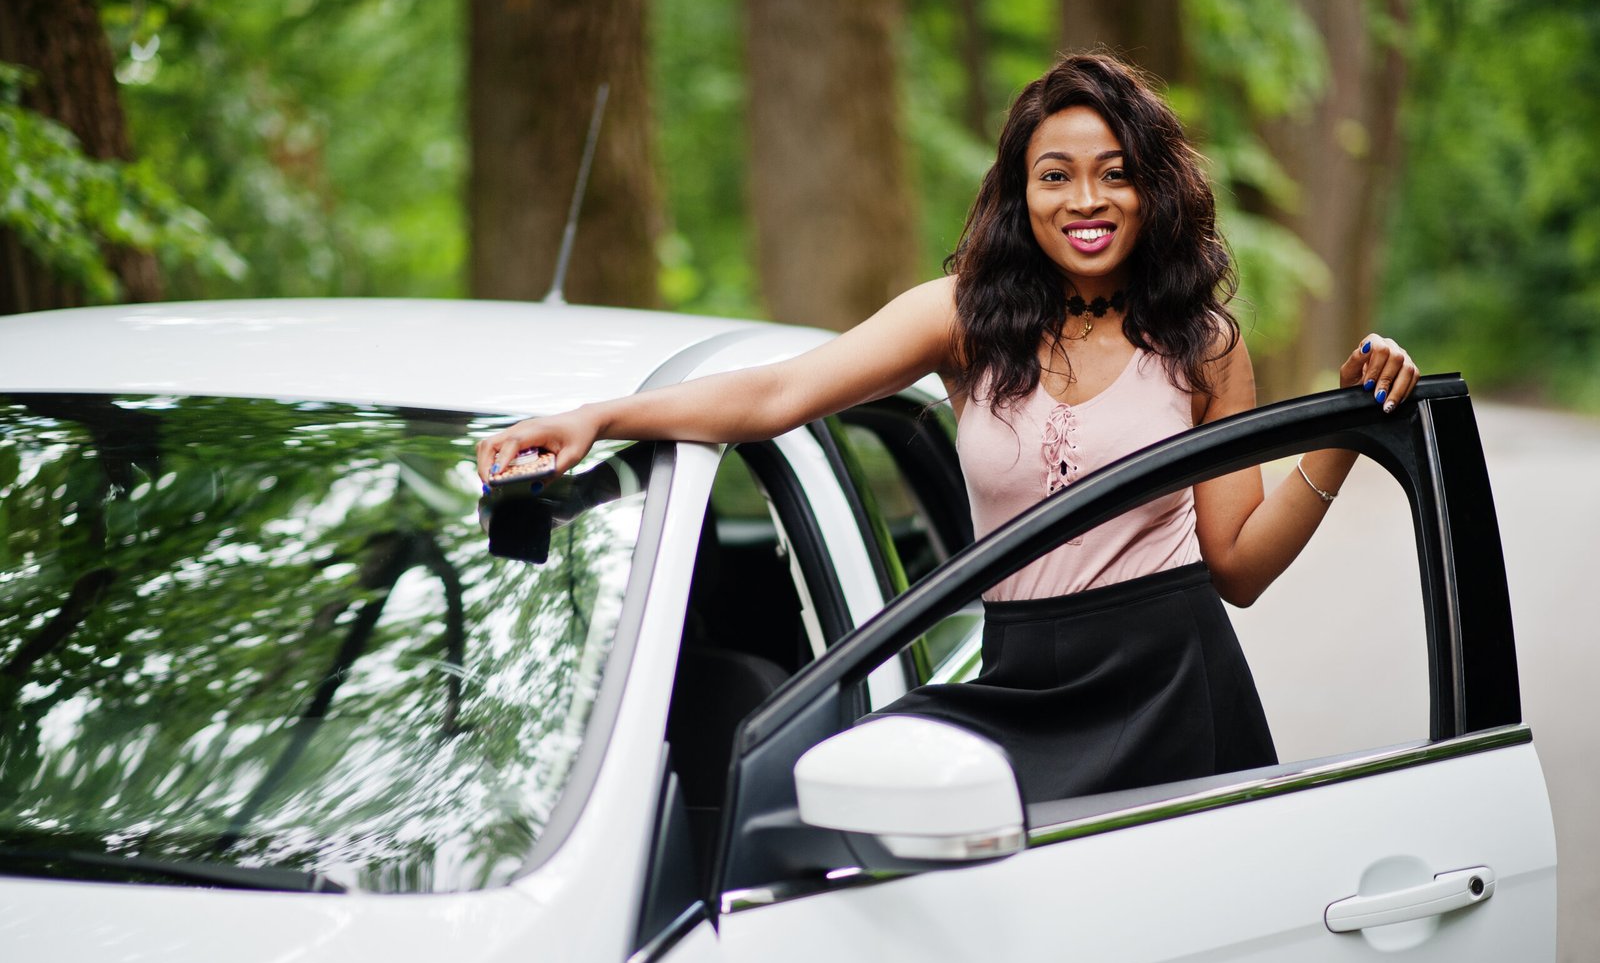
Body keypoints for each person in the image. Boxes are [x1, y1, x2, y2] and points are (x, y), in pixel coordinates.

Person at [476, 53, 1418, 803]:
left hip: (1176, 686)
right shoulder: (965, 316)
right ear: (1021, 192)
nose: (1086, 200)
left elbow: (1239, 568)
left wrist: (1344, 429)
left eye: (1115, 175)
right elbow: (778, 394)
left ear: (1153, 190)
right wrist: (601, 417)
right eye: (1056, 176)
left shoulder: (1201, 344)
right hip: (1016, 682)